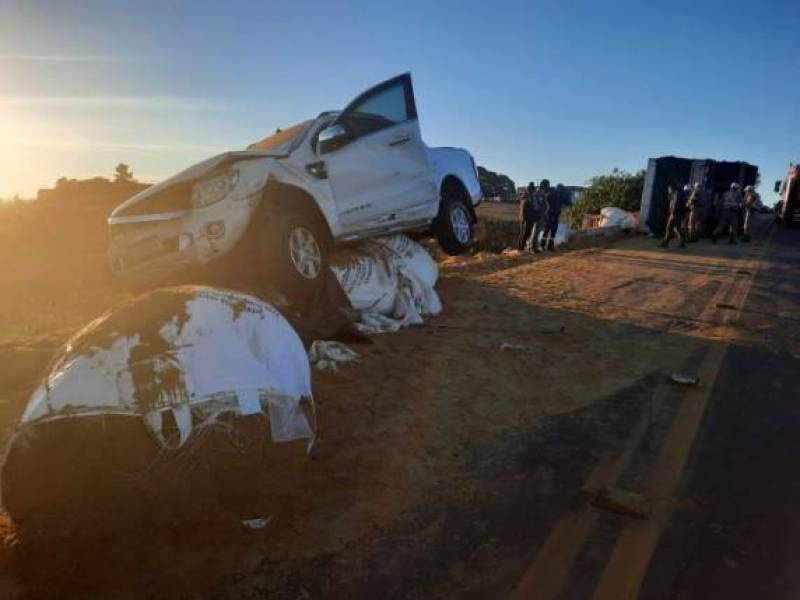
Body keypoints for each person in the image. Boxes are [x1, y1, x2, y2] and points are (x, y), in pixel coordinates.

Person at [660, 184, 688, 248]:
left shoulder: (676, 195)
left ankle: (665, 243)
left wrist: (673, 213)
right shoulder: (680, 194)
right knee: (677, 229)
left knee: (669, 228)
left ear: (673, 189)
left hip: (675, 214)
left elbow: (676, 205)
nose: (668, 190)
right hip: (679, 214)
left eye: (669, 189)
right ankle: (682, 243)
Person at [540, 183, 564, 251]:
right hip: (550, 215)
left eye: (562, 190)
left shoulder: (560, 196)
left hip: (556, 215)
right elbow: (545, 199)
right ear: (558, 189)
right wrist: (548, 209)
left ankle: (550, 246)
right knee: (547, 230)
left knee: (553, 231)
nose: (561, 191)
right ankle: (542, 245)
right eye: (560, 189)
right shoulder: (552, 194)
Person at [518, 182, 538, 251]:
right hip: (527, 219)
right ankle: (521, 248)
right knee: (525, 234)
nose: (532, 191)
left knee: (523, 234)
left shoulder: (524, 197)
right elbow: (534, 208)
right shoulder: (528, 198)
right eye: (532, 189)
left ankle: (521, 247)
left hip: (524, 218)